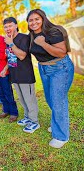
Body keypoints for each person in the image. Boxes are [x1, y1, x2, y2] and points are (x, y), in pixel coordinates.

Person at [27, 9, 74, 148]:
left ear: (43, 18)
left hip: (60, 68)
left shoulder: (53, 31)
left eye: (37, 19)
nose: (34, 22)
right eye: (30, 20)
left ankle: (61, 136)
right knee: (50, 99)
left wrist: (43, 43)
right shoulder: (31, 35)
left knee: (58, 100)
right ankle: (58, 124)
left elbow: (61, 52)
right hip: (44, 69)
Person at [2, 17, 40, 133]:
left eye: (10, 25)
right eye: (5, 27)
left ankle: (34, 122)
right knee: (22, 99)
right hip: (15, 75)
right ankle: (27, 117)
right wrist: (5, 68)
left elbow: (22, 56)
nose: (8, 28)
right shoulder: (8, 40)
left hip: (25, 75)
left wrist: (11, 44)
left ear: (16, 25)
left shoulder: (24, 38)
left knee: (29, 100)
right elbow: (11, 58)